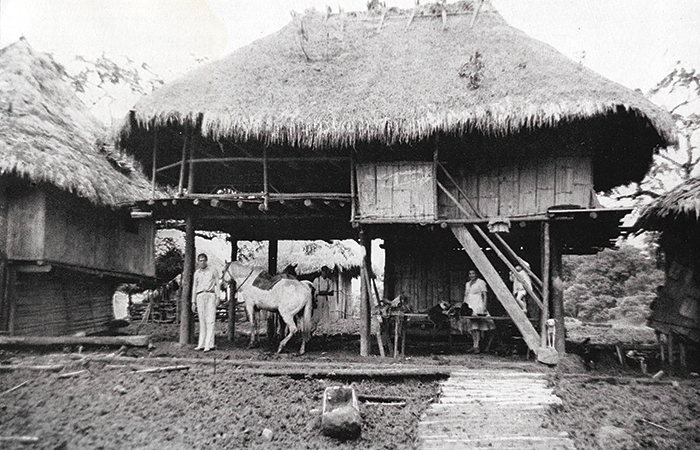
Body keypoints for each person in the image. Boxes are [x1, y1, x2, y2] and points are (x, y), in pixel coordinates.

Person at [192, 253, 220, 352]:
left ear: (206, 261)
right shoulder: (197, 273)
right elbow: (194, 287)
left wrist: (218, 297)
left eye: (204, 260)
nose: (202, 262)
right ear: (198, 262)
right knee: (202, 320)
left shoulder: (213, 270)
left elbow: (217, 283)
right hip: (200, 296)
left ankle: (209, 344)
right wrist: (193, 301)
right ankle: (201, 344)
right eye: (200, 260)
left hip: (210, 295)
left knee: (210, 319)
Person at [463, 269, 495, 353]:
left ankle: (477, 346)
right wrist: (464, 306)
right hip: (469, 305)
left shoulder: (480, 282)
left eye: (473, 273)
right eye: (470, 274)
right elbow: (466, 295)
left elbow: (484, 295)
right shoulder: (467, 284)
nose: (471, 275)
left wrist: (484, 306)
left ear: (476, 274)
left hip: (477, 305)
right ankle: (475, 345)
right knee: (472, 327)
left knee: (477, 326)